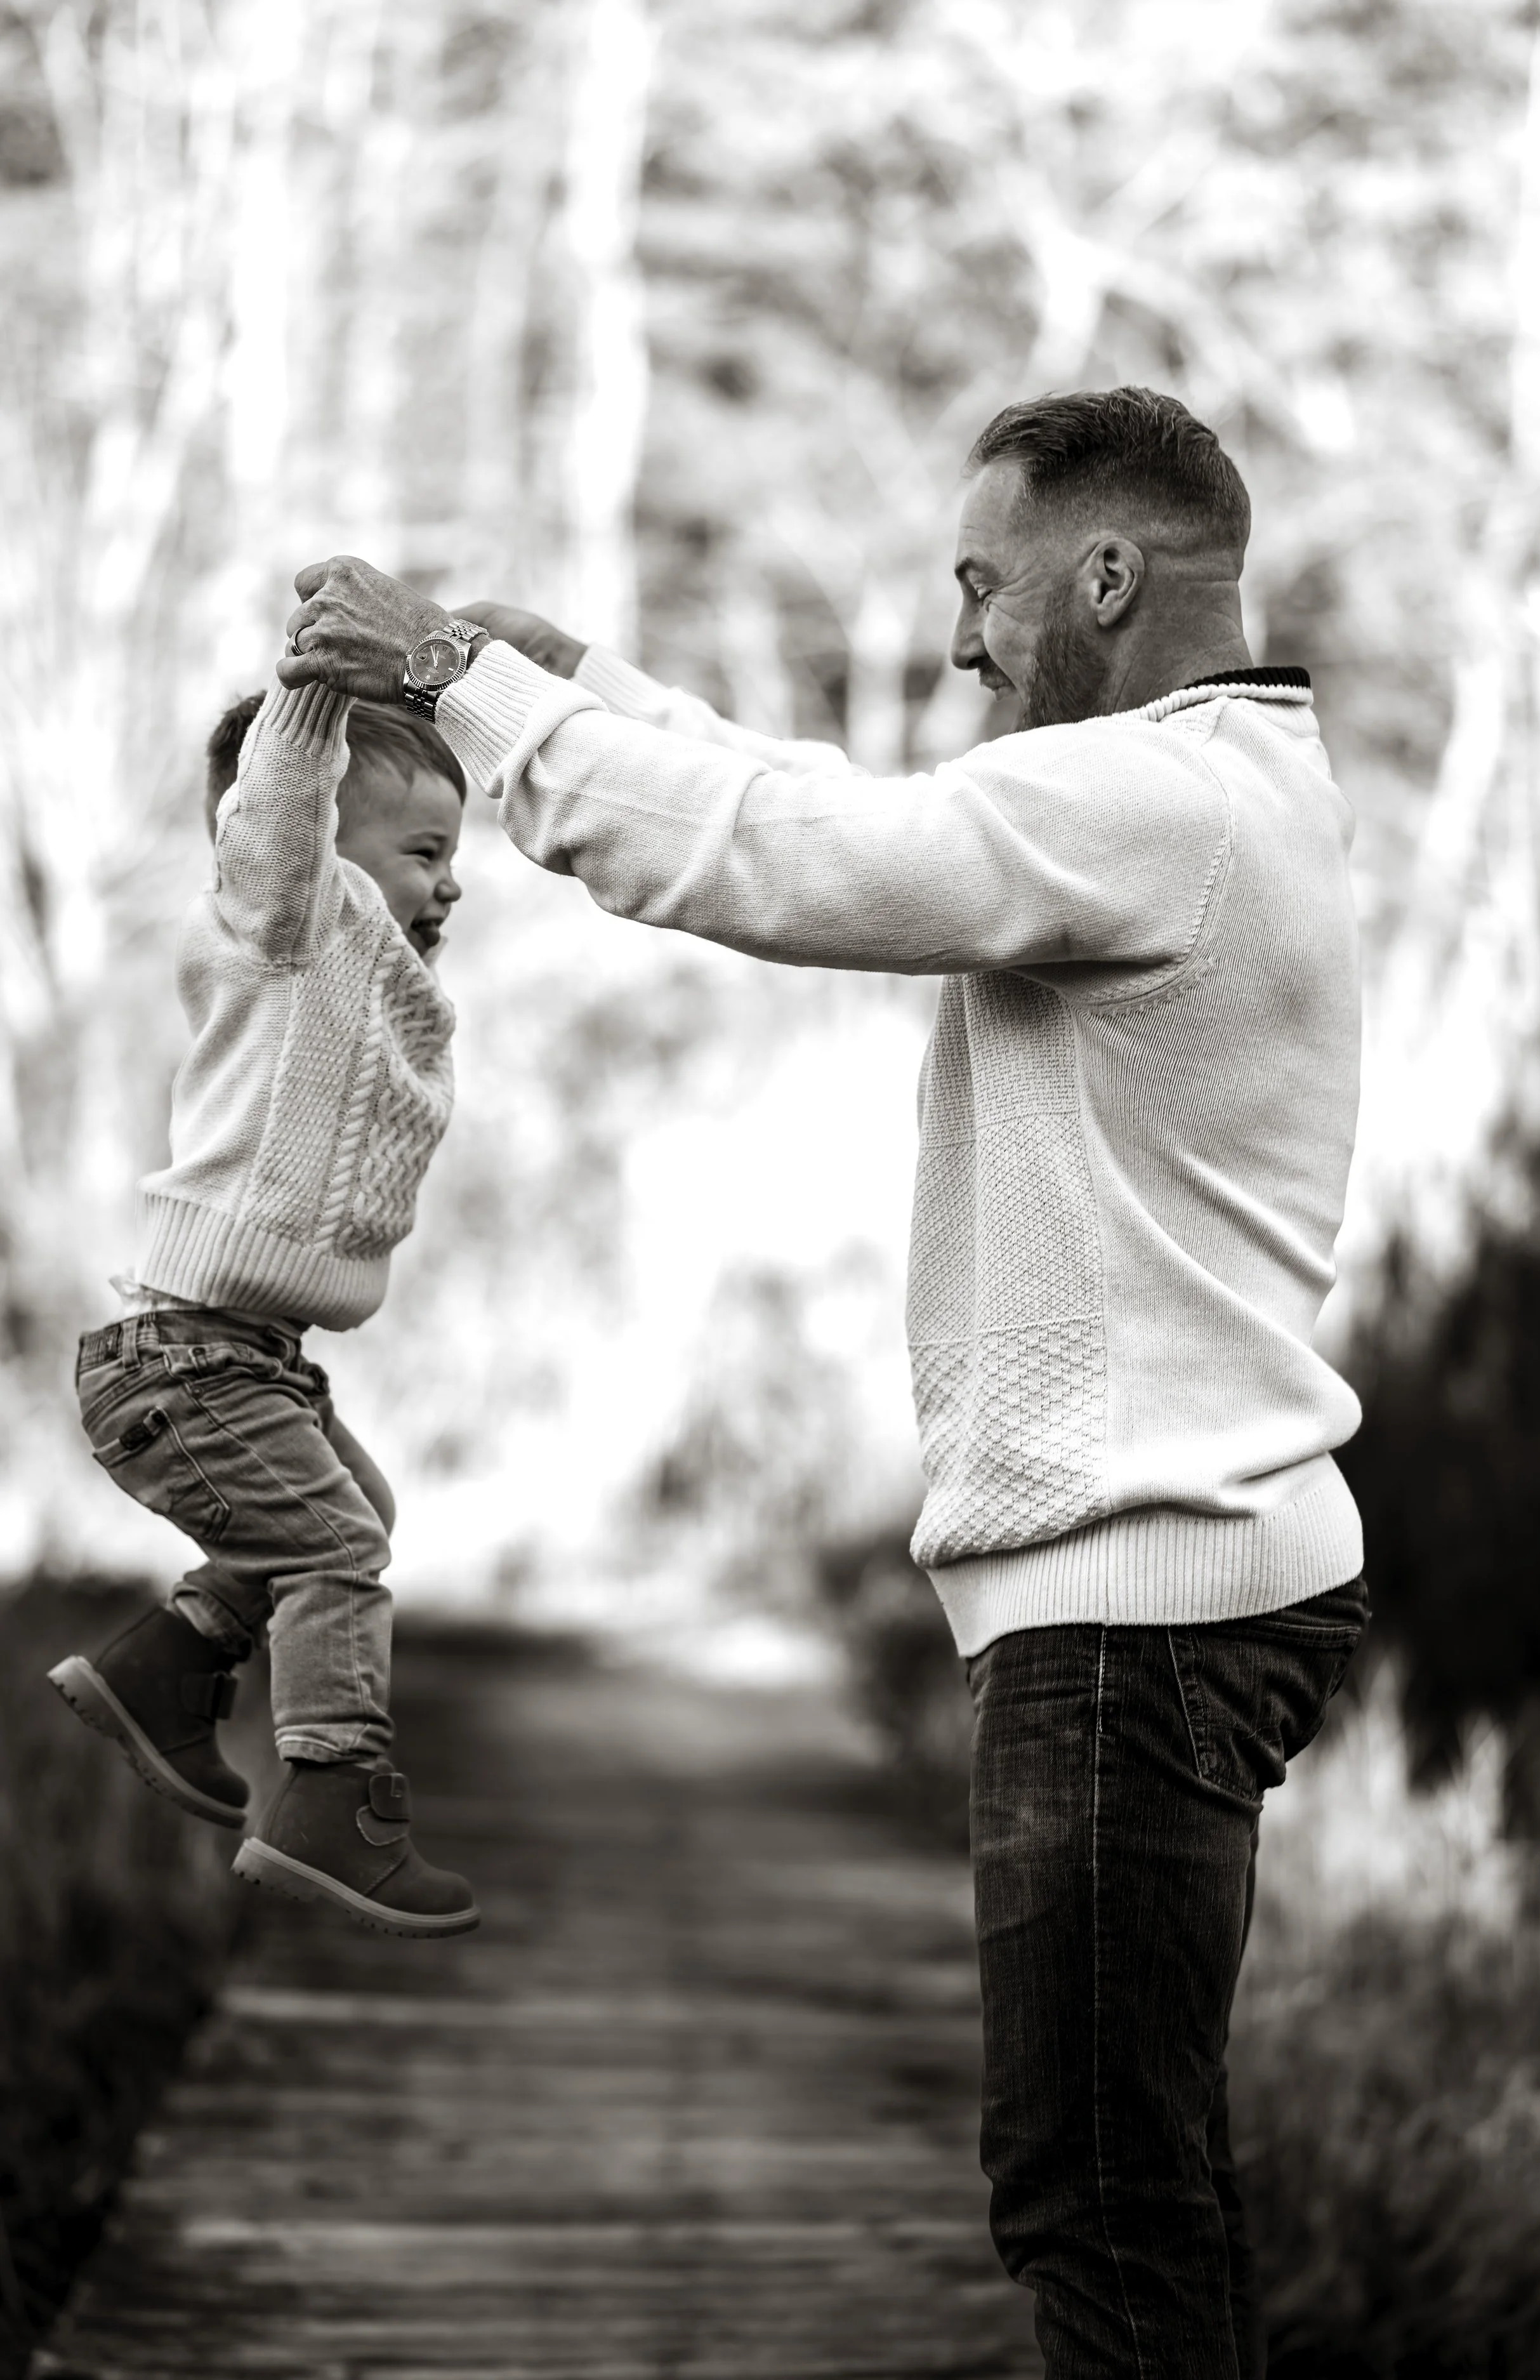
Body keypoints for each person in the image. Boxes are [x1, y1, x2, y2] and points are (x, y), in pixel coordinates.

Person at [280, 385, 1368, 2373]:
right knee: (1114, 2190)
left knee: (1101, 2211)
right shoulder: (1203, 787)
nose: (961, 636)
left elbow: (794, 865)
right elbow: (843, 810)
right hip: (1163, 1586)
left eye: (982, 584)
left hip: (1136, 1608)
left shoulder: (1157, 802)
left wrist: (464, 687)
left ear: (1105, 573)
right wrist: (572, 677)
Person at [49, 661, 480, 1940]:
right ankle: (330, 1802)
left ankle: (165, 1672)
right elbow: (285, 802)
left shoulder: (373, 979)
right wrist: (316, 693)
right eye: (423, 850)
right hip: (186, 1365)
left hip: (242, 1359)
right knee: (337, 1552)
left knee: (365, 1512)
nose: (450, 880)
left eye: (457, 857)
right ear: (318, 838)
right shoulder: (287, 924)